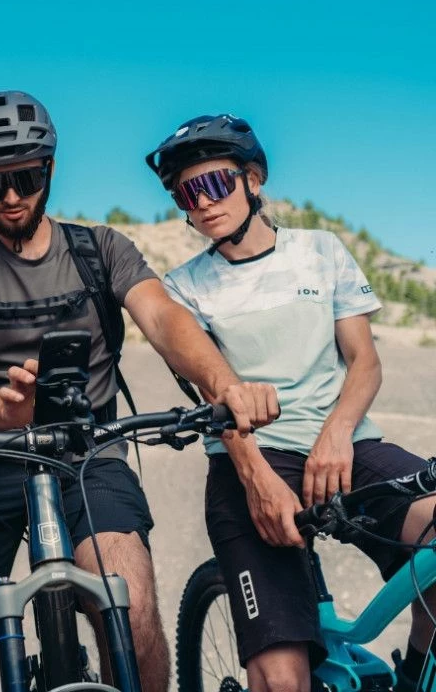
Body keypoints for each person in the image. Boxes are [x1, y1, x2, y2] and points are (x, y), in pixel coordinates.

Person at [0, 91, 279, 692]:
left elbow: (164, 319)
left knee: (131, 615)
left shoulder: (101, 251)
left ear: (49, 169)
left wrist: (225, 385)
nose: (10, 196)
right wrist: (8, 408)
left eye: (24, 177)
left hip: (90, 459)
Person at [147, 113, 435, 692]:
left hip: (346, 444)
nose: (202, 203)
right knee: (282, 679)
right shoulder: (183, 287)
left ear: (253, 180)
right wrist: (257, 479)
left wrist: (337, 434)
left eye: (214, 183)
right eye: (186, 194)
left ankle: (413, 675)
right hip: (252, 458)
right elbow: (215, 400)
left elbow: (365, 362)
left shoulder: (321, 251)